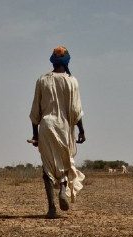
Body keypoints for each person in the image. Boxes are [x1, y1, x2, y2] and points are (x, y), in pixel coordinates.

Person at [29, 46, 85, 218]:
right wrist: (81, 130)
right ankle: (62, 189)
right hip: (64, 128)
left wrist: (35, 135)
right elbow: (76, 110)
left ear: (52, 61)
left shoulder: (42, 80)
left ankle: (51, 208)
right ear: (67, 61)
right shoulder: (72, 81)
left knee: (47, 168)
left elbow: (35, 111)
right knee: (65, 164)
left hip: (46, 126)